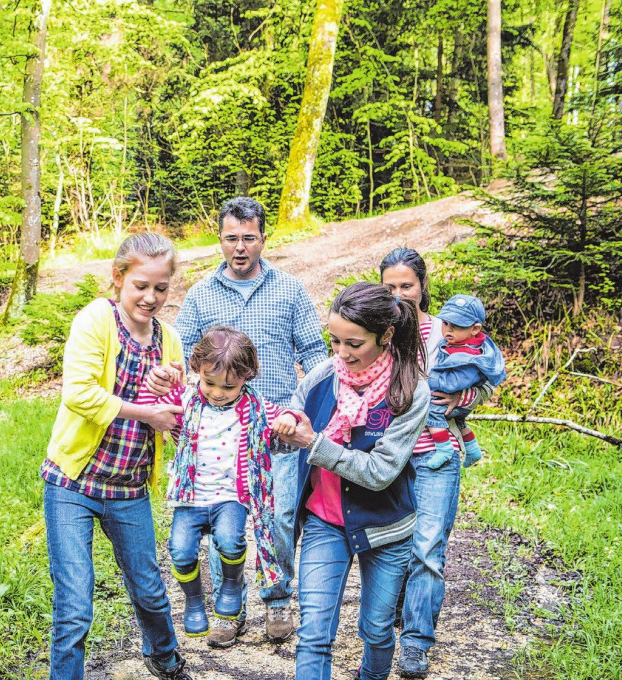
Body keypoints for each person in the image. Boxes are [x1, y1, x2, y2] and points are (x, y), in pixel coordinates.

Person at [148, 196, 326, 647]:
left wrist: (312, 409)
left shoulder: (289, 290)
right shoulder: (203, 295)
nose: (240, 247)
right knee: (223, 532)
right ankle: (232, 609)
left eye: (249, 238)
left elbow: (314, 354)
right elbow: (178, 352)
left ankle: (278, 598)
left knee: (279, 516)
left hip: (274, 430)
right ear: (220, 241)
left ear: (264, 238)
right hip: (214, 432)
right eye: (232, 238)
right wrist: (169, 383)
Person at [39, 232, 193, 680]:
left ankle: (165, 659)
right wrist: (147, 410)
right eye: (140, 285)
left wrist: (169, 393)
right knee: (74, 604)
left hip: (128, 489)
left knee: (149, 591)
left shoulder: (169, 340)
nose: (150, 297)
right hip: (73, 483)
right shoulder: (95, 319)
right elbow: (79, 394)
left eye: (160, 288)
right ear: (118, 278)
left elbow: (177, 417)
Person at [273, 281, 431, 680]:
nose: (341, 354)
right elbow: (295, 414)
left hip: (386, 527)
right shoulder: (325, 374)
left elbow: (379, 473)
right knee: (313, 634)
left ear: (386, 335)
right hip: (325, 522)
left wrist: (315, 442)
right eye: (335, 341)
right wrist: (288, 425)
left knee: (376, 631)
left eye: (354, 344)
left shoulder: (411, 392)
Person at [379, 248, 496, 679]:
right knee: (391, 543)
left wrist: (461, 399)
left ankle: (415, 642)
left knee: (428, 548)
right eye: (389, 287)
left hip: (437, 454)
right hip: (388, 455)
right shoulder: (376, 333)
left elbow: (483, 380)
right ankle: (391, 615)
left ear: (423, 287)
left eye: (406, 286)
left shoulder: (443, 333)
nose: (398, 295)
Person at [137, 326, 289, 640]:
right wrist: (160, 379)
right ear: (198, 371)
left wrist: (293, 421)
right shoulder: (189, 398)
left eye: (229, 386)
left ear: (247, 377)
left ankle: (231, 587)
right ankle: (194, 602)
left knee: (230, 540)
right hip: (191, 496)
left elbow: (289, 418)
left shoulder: (256, 407)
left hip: (230, 496)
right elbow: (147, 401)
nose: (218, 392)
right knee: (179, 551)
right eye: (210, 382)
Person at [423, 293, 508, 469]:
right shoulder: (462, 344)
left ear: (475, 329)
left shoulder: (470, 355)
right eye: (445, 323)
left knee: (431, 412)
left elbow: (454, 383)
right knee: (460, 421)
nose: (447, 330)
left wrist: (429, 381)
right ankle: (473, 449)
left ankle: (444, 449)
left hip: (455, 396)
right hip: (459, 402)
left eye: (456, 326)